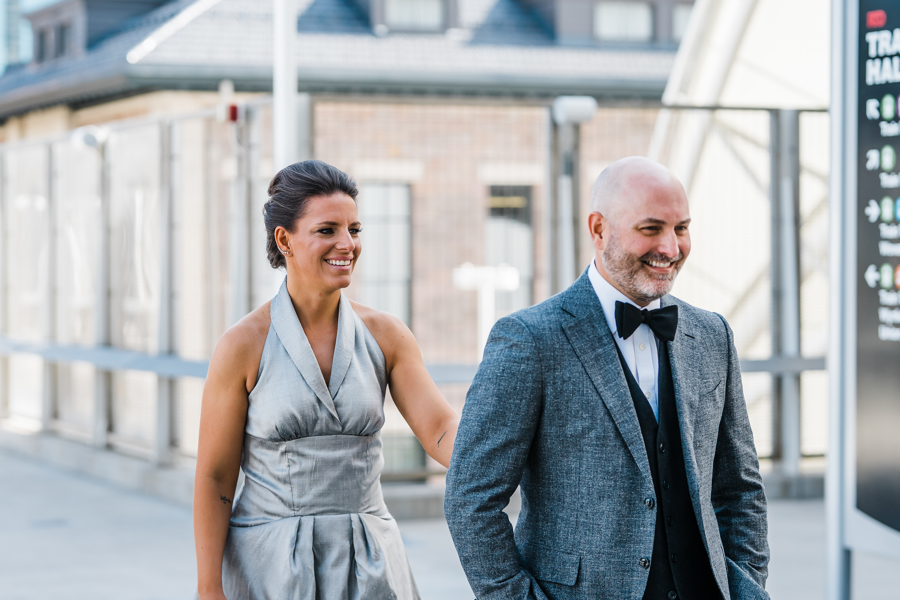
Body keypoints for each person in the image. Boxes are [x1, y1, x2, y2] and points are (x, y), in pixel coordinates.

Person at [444, 156, 769, 600]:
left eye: (681, 228)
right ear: (598, 230)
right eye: (651, 229)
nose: (671, 248)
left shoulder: (712, 335)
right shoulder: (530, 340)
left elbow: (740, 488)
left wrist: (747, 583)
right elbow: (470, 499)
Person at [193, 160, 459, 600]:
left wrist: (514, 453)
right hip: (269, 566)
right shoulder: (242, 345)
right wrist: (208, 589)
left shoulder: (387, 335)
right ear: (285, 240)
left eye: (354, 229)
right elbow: (216, 477)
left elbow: (440, 430)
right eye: (327, 230)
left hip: (371, 562)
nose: (347, 244)